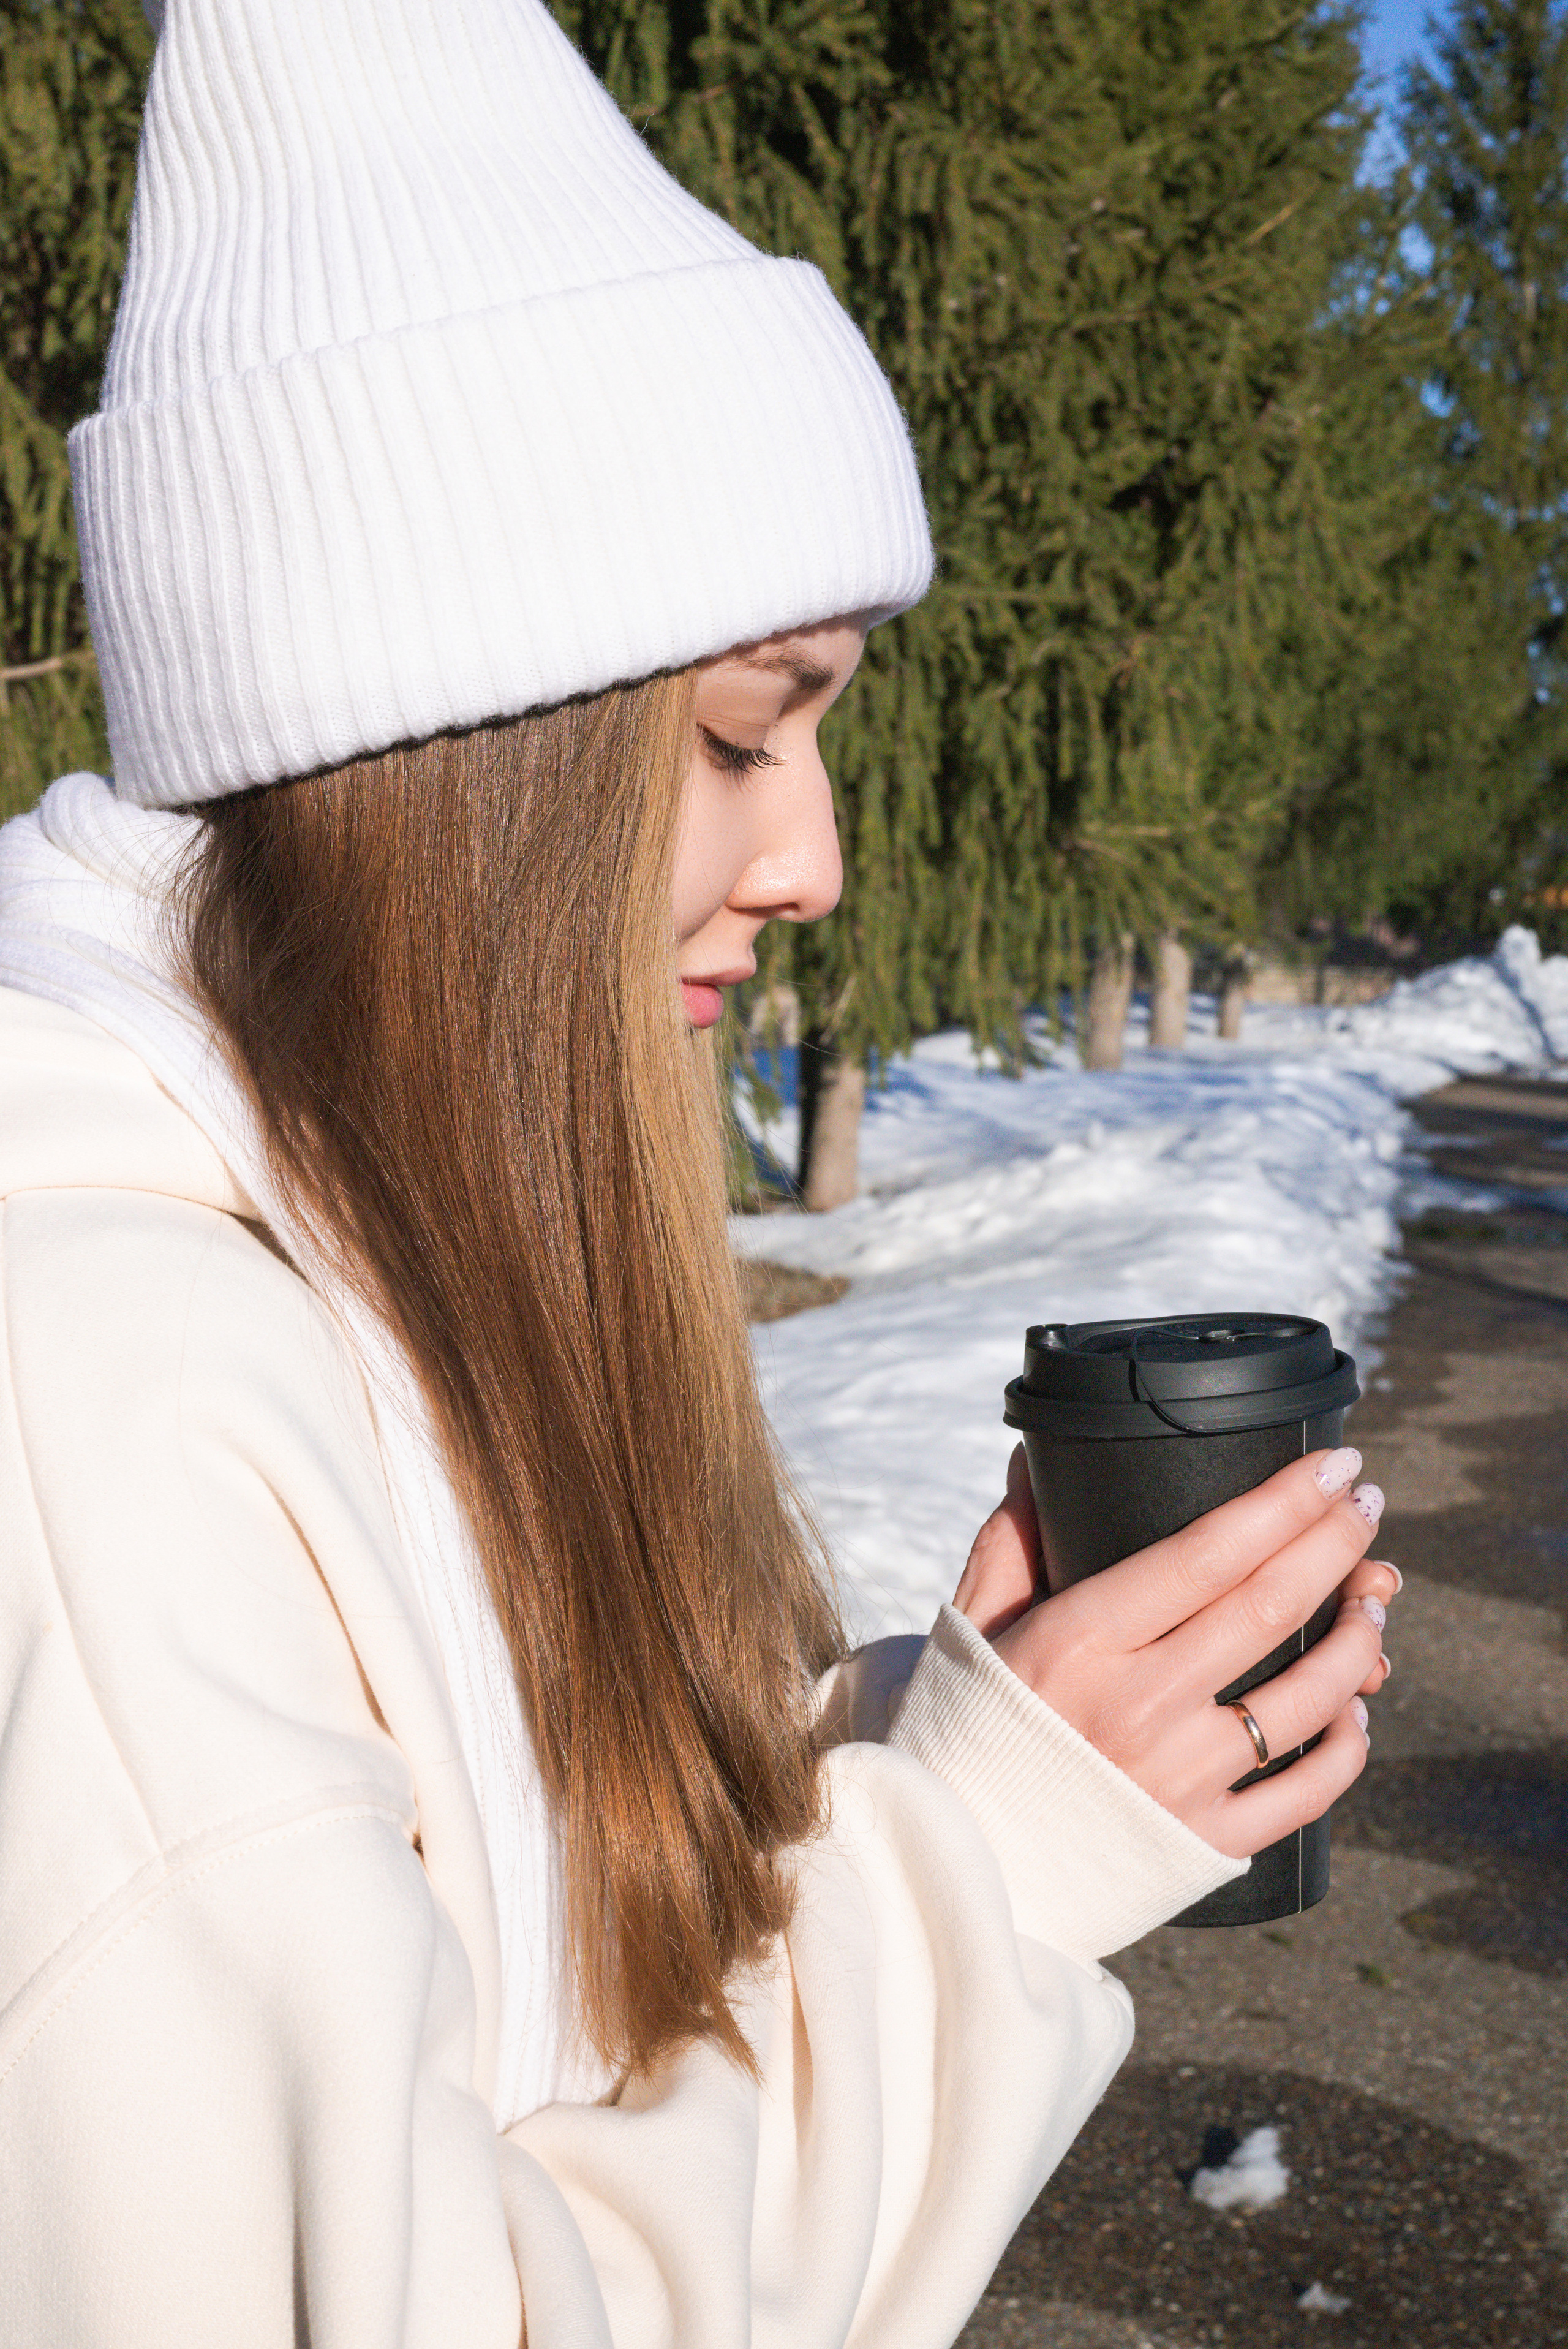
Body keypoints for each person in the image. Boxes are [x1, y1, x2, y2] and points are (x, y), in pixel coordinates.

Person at [0, 3, 1398, 2342]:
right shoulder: (95, 1399)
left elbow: (471, 1922)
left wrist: (905, 1742)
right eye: (748, 729)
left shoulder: (347, 1253)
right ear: (465, 757)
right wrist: (991, 1868)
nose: (818, 856)